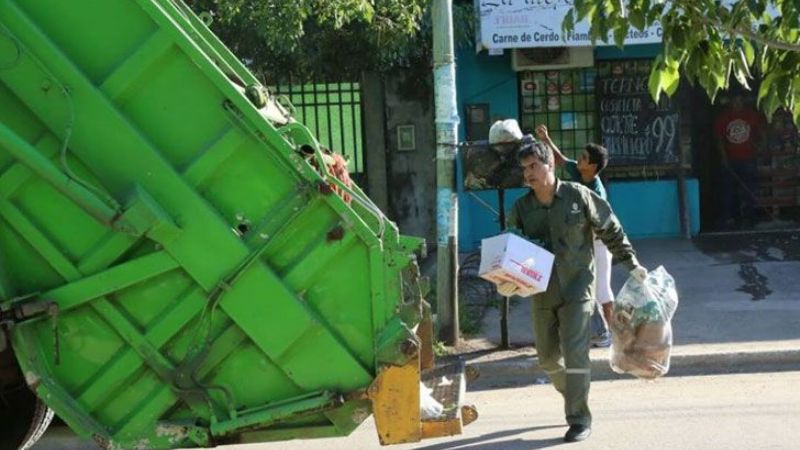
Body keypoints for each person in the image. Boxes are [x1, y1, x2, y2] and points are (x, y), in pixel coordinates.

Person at [504, 138, 646, 443]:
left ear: (550, 164)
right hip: (541, 292)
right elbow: (510, 249)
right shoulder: (520, 208)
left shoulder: (578, 195)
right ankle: (574, 393)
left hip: (578, 287)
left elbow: (611, 229)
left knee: (576, 354)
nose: (528, 173)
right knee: (547, 358)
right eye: (524, 168)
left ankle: (579, 418)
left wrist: (632, 265)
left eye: (534, 165)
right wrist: (506, 278)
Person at [535, 125, 614, 347]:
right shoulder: (579, 173)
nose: (578, 160)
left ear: (593, 166)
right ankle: (595, 333)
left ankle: (612, 334)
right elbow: (560, 159)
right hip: (584, 243)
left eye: (583, 158)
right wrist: (546, 138)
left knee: (602, 291)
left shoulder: (596, 191)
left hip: (598, 243)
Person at [713, 92, 765, 229]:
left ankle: (750, 218)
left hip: (748, 158)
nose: (736, 104)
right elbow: (719, 140)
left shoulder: (750, 115)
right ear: (730, 102)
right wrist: (723, 157)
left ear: (742, 102)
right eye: (734, 101)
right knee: (728, 191)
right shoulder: (723, 118)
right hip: (730, 160)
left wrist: (759, 147)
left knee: (749, 190)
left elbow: (760, 133)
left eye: (739, 101)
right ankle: (730, 217)